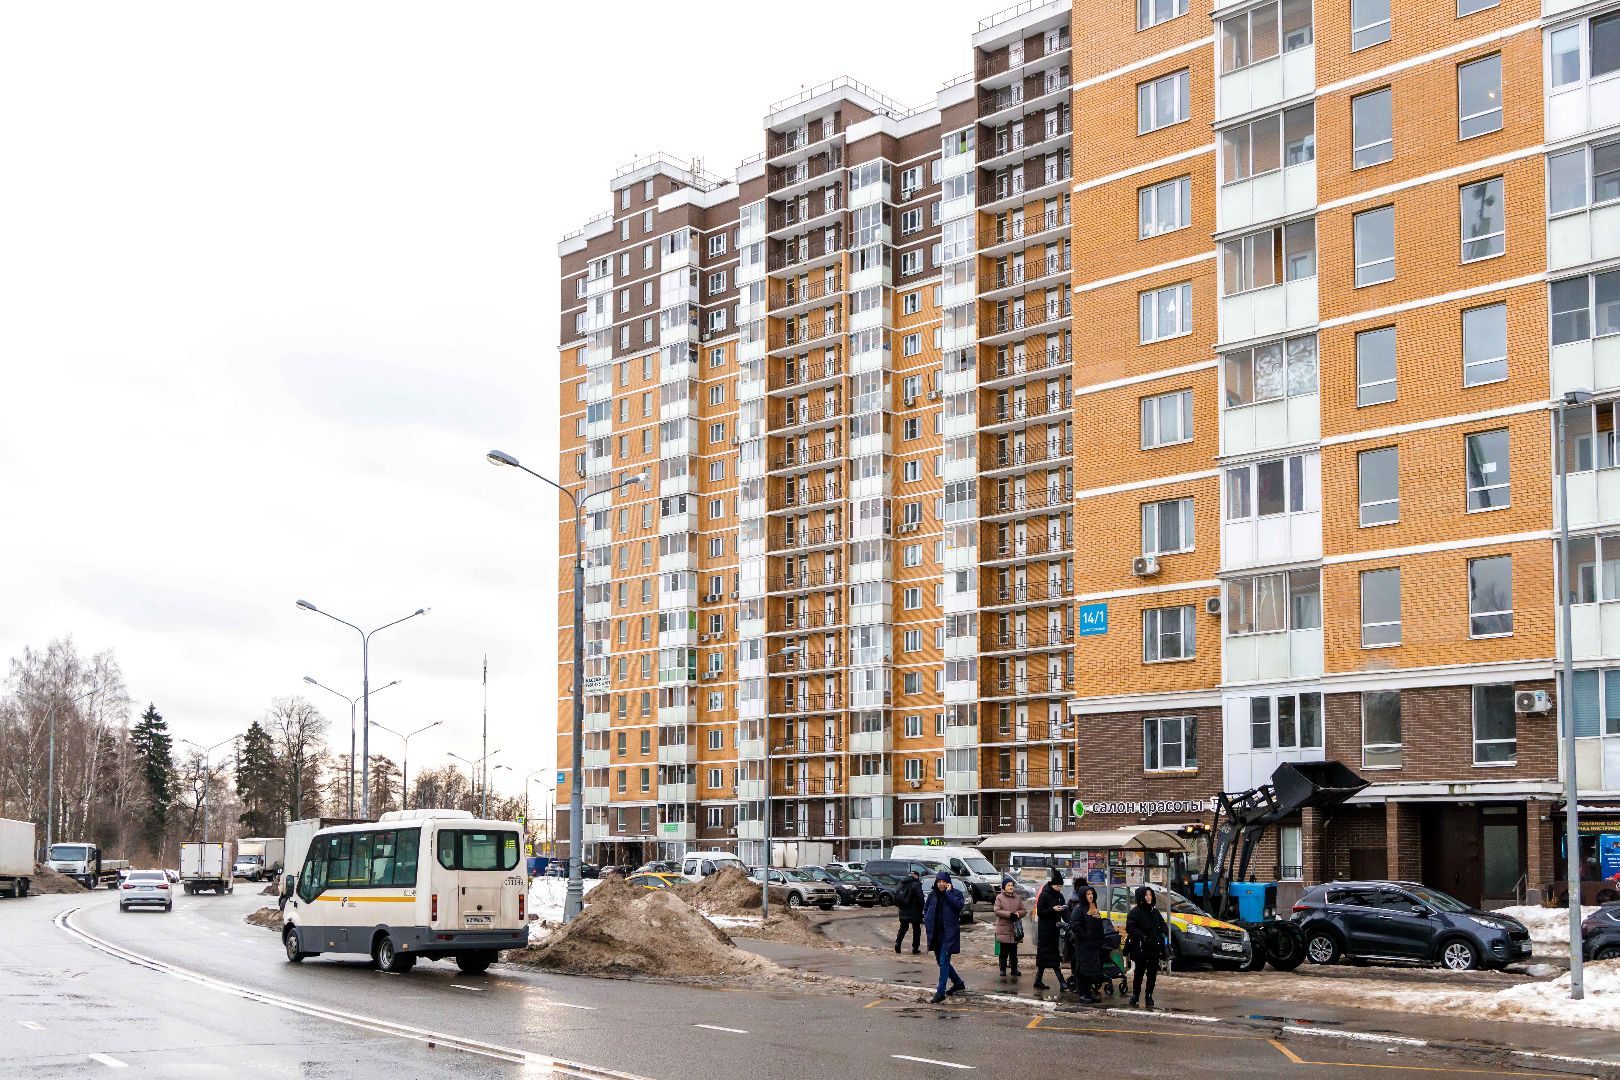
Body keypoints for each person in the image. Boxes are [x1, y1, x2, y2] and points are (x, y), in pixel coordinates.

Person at [924, 869, 967, 1003]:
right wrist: (926, 920)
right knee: (942, 962)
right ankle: (958, 983)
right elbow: (926, 910)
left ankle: (940, 992)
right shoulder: (933, 895)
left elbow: (958, 906)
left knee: (943, 962)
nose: (941, 884)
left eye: (944, 882)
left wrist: (948, 893)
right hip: (935, 934)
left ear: (948, 883)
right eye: (939, 882)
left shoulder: (956, 894)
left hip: (948, 935)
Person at [1125, 885, 1168, 1009]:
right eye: (1146, 895)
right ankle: (1135, 995)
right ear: (1141, 897)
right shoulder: (1135, 912)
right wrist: (1143, 936)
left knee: (1152, 973)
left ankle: (1149, 995)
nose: (1149, 897)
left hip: (1154, 947)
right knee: (1139, 972)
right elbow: (1130, 928)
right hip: (1140, 948)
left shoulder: (1154, 911)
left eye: (1150, 895)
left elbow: (1162, 925)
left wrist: (1162, 932)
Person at [1066, 884, 1107, 1004]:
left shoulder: (1093, 907)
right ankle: (1082, 993)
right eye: (1088, 894)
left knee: (1091, 970)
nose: (1090, 896)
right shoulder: (1079, 909)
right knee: (1083, 970)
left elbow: (1098, 924)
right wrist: (1085, 935)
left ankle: (1088, 992)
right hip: (1084, 945)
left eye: (1091, 894)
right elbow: (1075, 925)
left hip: (1094, 945)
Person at [1032, 872, 1066, 991]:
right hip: (1045, 931)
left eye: (1061, 886)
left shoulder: (1059, 896)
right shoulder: (1044, 895)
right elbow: (1040, 912)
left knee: (1045, 958)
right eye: (1057, 886)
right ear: (1052, 884)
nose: (1059, 888)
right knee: (1051, 957)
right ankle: (1062, 981)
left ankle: (1038, 981)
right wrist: (1052, 909)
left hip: (1054, 930)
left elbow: (1064, 912)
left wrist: (1070, 921)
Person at [992, 877, 1028, 979]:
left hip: (1015, 929)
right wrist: (1009, 915)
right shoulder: (999, 897)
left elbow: (1024, 910)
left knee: (1013, 951)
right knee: (1003, 951)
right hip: (1004, 928)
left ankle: (1014, 970)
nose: (1011, 887)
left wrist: (1018, 914)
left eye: (1012, 885)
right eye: (1008, 885)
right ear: (1004, 887)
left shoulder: (1017, 897)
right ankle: (1002, 970)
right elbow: (997, 911)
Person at [893, 869, 925, 954]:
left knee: (903, 928)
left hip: (903, 910)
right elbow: (921, 899)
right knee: (916, 929)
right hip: (915, 912)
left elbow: (896, 897)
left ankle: (897, 943)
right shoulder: (916, 884)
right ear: (917, 876)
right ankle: (915, 948)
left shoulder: (901, 883)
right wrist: (922, 909)